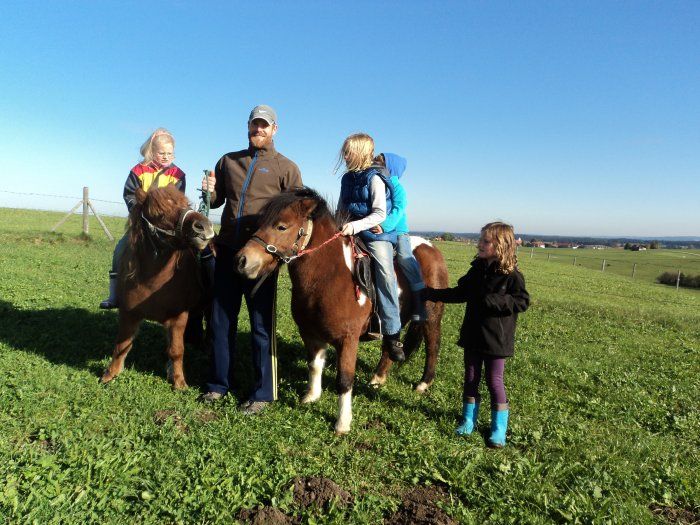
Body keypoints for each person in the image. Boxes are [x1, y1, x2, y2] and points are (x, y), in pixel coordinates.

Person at [199, 105, 302, 414]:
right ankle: (218, 384)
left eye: (265, 126)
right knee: (220, 321)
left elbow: (295, 216)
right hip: (228, 250)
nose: (259, 130)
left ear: (274, 129)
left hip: (261, 257)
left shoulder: (287, 168)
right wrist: (210, 191)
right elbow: (216, 201)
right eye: (255, 124)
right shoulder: (228, 161)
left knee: (261, 327)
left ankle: (263, 393)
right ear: (248, 126)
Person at [423, 222, 530, 447]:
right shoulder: (477, 270)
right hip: (473, 334)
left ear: (501, 245)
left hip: (497, 340)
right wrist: (430, 293)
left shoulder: (512, 276)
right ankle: (468, 421)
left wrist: (494, 300)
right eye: (480, 239)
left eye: (485, 241)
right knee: (470, 379)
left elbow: (522, 301)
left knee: (494, 382)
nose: (479, 244)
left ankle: (498, 430)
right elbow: (461, 293)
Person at [99, 128, 185, 309]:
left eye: (169, 153)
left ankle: (184, 292)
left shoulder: (178, 175)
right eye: (161, 153)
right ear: (152, 152)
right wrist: (140, 211)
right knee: (120, 249)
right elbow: (129, 194)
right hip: (142, 222)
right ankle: (114, 294)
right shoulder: (139, 171)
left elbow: (179, 200)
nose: (165, 156)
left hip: (166, 225)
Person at [337, 133, 405, 362]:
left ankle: (392, 332)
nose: (344, 156)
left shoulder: (375, 178)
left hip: (374, 233)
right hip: (348, 228)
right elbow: (340, 209)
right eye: (344, 151)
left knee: (386, 273)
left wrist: (355, 226)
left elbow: (379, 214)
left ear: (360, 153)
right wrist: (337, 226)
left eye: (348, 152)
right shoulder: (346, 179)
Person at [372, 152, 427, 322]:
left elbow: (398, 210)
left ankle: (419, 300)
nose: (375, 166)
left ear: (391, 168)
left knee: (405, 258)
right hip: (378, 229)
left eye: (380, 164)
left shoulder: (397, 187)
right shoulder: (377, 183)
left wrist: (384, 226)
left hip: (397, 231)